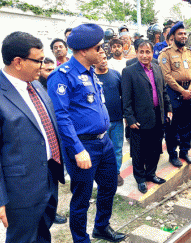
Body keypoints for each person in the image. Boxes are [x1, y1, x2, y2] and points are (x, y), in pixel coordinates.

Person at [0, 31, 65, 242]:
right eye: (38, 61)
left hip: (48, 176)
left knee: (43, 231)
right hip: (21, 190)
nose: (43, 65)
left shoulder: (35, 84)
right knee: (23, 238)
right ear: (18, 62)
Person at [47, 24, 125, 243]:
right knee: (81, 197)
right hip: (83, 146)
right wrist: (78, 149)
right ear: (83, 50)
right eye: (98, 47)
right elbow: (61, 116)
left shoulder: (90, 70)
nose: (103, 51)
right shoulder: (62, 76)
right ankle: (81, 239)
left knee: (108, 187)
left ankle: (101, 226)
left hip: (104, 142)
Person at [122, 40, 172, 194]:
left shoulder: (157, 68)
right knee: (139, 151)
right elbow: (126, 98)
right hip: (139, 120)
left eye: (148, 52)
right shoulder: (129, 72)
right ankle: (140, 178)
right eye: (141, 52)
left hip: (158, 116)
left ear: (152, 53)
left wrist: (168, 109)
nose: (145, 55)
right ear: (136, 53)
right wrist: (130, 119)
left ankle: (151, 173)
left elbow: (163, 92)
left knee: (155, 148)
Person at [159, 21, 191, 168]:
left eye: (184, 33)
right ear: (173, 36)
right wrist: (183, 91)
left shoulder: (189, 52)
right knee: (172, 126)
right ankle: (173, 155)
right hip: (173, 93)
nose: (183, 36)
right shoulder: (166, 53)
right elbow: (167, 76)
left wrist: (190, 89)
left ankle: (184, 151)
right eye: (180, 34)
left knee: (187, 123)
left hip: (189, 90)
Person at [38, 57, 68, 225]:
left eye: (52, 69)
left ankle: (52, 211)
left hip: (54, 145)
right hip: (39, 149)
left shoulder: (51, 88)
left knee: (53, 183)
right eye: (47, 70)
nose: (51, 73)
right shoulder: (36, 89)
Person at [95, 53, 125, 187]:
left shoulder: (115, 74)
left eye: (105, 58)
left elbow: (124, 95)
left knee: (117, 147)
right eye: (100, 59)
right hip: (101, 122)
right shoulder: (92, 77)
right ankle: (105, 173)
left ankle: (116, 172)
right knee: (103, 149)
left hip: (117, 119)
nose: (103, 61)